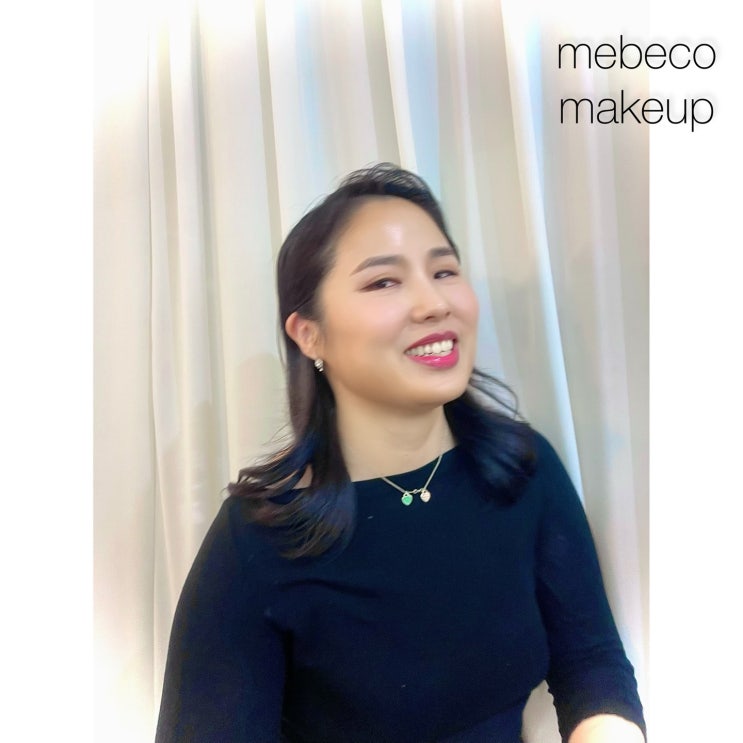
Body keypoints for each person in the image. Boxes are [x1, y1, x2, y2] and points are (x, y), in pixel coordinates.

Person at [155, 164, 646, 743]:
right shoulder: (260, 538)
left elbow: (591, 662)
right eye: (384, 282)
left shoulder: (523, 470)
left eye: (444, 271)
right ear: (309, 334)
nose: (433, 302)